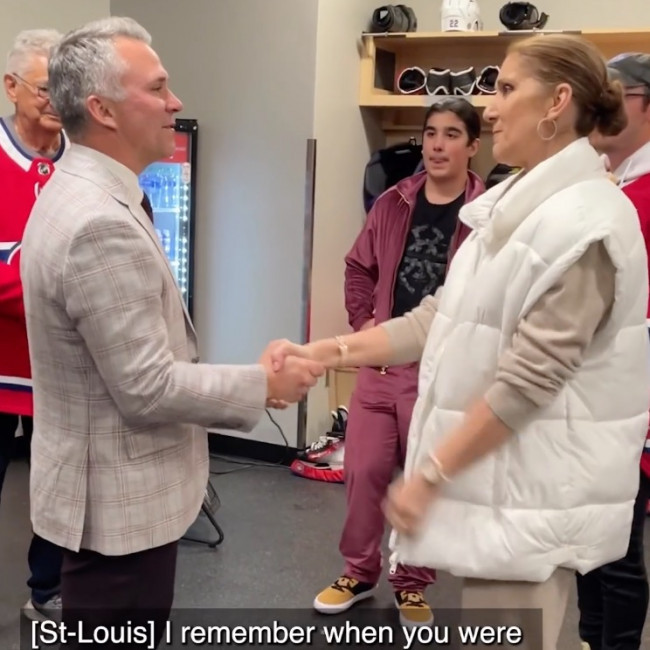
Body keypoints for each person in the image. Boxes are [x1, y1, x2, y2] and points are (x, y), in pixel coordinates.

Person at [270, 33, 650, 649]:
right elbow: (438, 317)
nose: (490, 108)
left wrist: (429, 474)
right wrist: (329, 352)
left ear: (557, 101)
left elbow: (528, 382)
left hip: (530, 502)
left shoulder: (586, 225)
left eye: (506, 89)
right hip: (500, 494)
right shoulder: (514, 208)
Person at [20, 17, 323, 648]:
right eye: (157, 88)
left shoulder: (82, 191)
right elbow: (146, 387)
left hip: (107, 496)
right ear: (102, 109)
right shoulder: (97, 222)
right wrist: (262, 385)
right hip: (117, 509)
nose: (176, 102)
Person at [314, 98, 484, 626]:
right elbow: (358, 267)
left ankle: (411, 582)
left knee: (420, 477)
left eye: (451, 134)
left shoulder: (486, 214)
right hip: (382, 367)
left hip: (438, 372)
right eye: (431, 133)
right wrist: (364, 324)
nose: (437, 145)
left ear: (472, 146)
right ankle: (359, 571)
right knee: (362, 471)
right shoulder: (393, 201)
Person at [577, 51, 650, 650]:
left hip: (635, 395)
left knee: (620, 546)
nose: (602, 106)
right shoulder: (597, 183)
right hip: (584, 391)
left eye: (616, 94)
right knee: (585, 541)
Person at [0, 28, 67, 621]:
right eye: (47, 87)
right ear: (11, 87)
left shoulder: (86, 162)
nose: (57, 99)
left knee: (60, 489)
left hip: (62, 371)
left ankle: (48, 591)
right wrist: (53, 287)